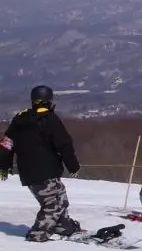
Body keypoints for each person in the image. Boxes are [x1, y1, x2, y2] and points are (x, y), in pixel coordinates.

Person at [0, 85, 83, 241]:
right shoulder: (50, 119)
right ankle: (38, 233)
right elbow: (64, 144)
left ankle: (62, 224)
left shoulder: (19, 119)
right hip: (46, 171)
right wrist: (73, 166)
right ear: (49, 101)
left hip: (29, 172)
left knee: (61, 198)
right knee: (52, 204)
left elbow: (6, 144)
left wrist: (4, 165)